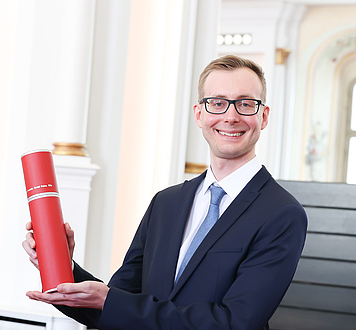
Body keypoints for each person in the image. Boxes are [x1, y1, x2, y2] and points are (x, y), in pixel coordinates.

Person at [23, 55, 307, 329]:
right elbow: (119, 304)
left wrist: (110, 301)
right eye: (217, 103)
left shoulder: (282, 214)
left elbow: (235, 322)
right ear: (199, 114)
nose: (230, 116)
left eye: (245, 104)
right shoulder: (166, 202)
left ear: (264, 116)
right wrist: (60, 265)